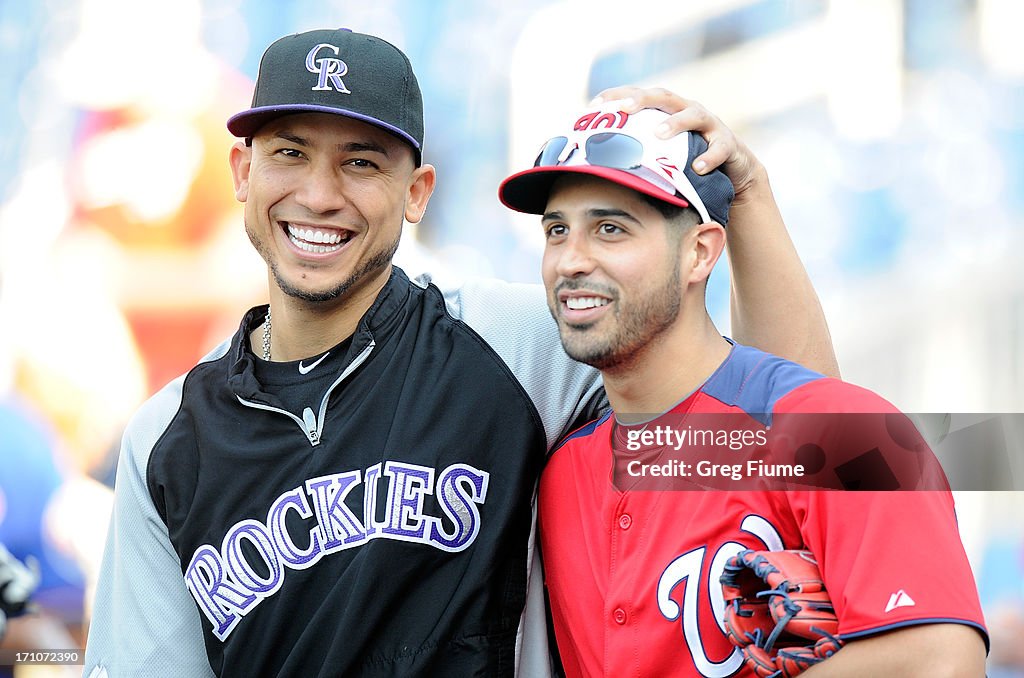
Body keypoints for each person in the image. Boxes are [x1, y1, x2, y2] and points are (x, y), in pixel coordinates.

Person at [82, 28, 838, 677]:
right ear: (244, 174)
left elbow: (808, 443)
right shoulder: (164, 439)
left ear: (417, 194)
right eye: (289, 153)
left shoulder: (518, 342)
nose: (318, 194)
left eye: (361, 162)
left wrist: (752, 199)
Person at [498, 104, 989, 677]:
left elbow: (938, 660)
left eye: (611, 229)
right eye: (557, 230)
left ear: (700, 252)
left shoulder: (845, 430)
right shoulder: (560, 473)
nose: (572, 261)